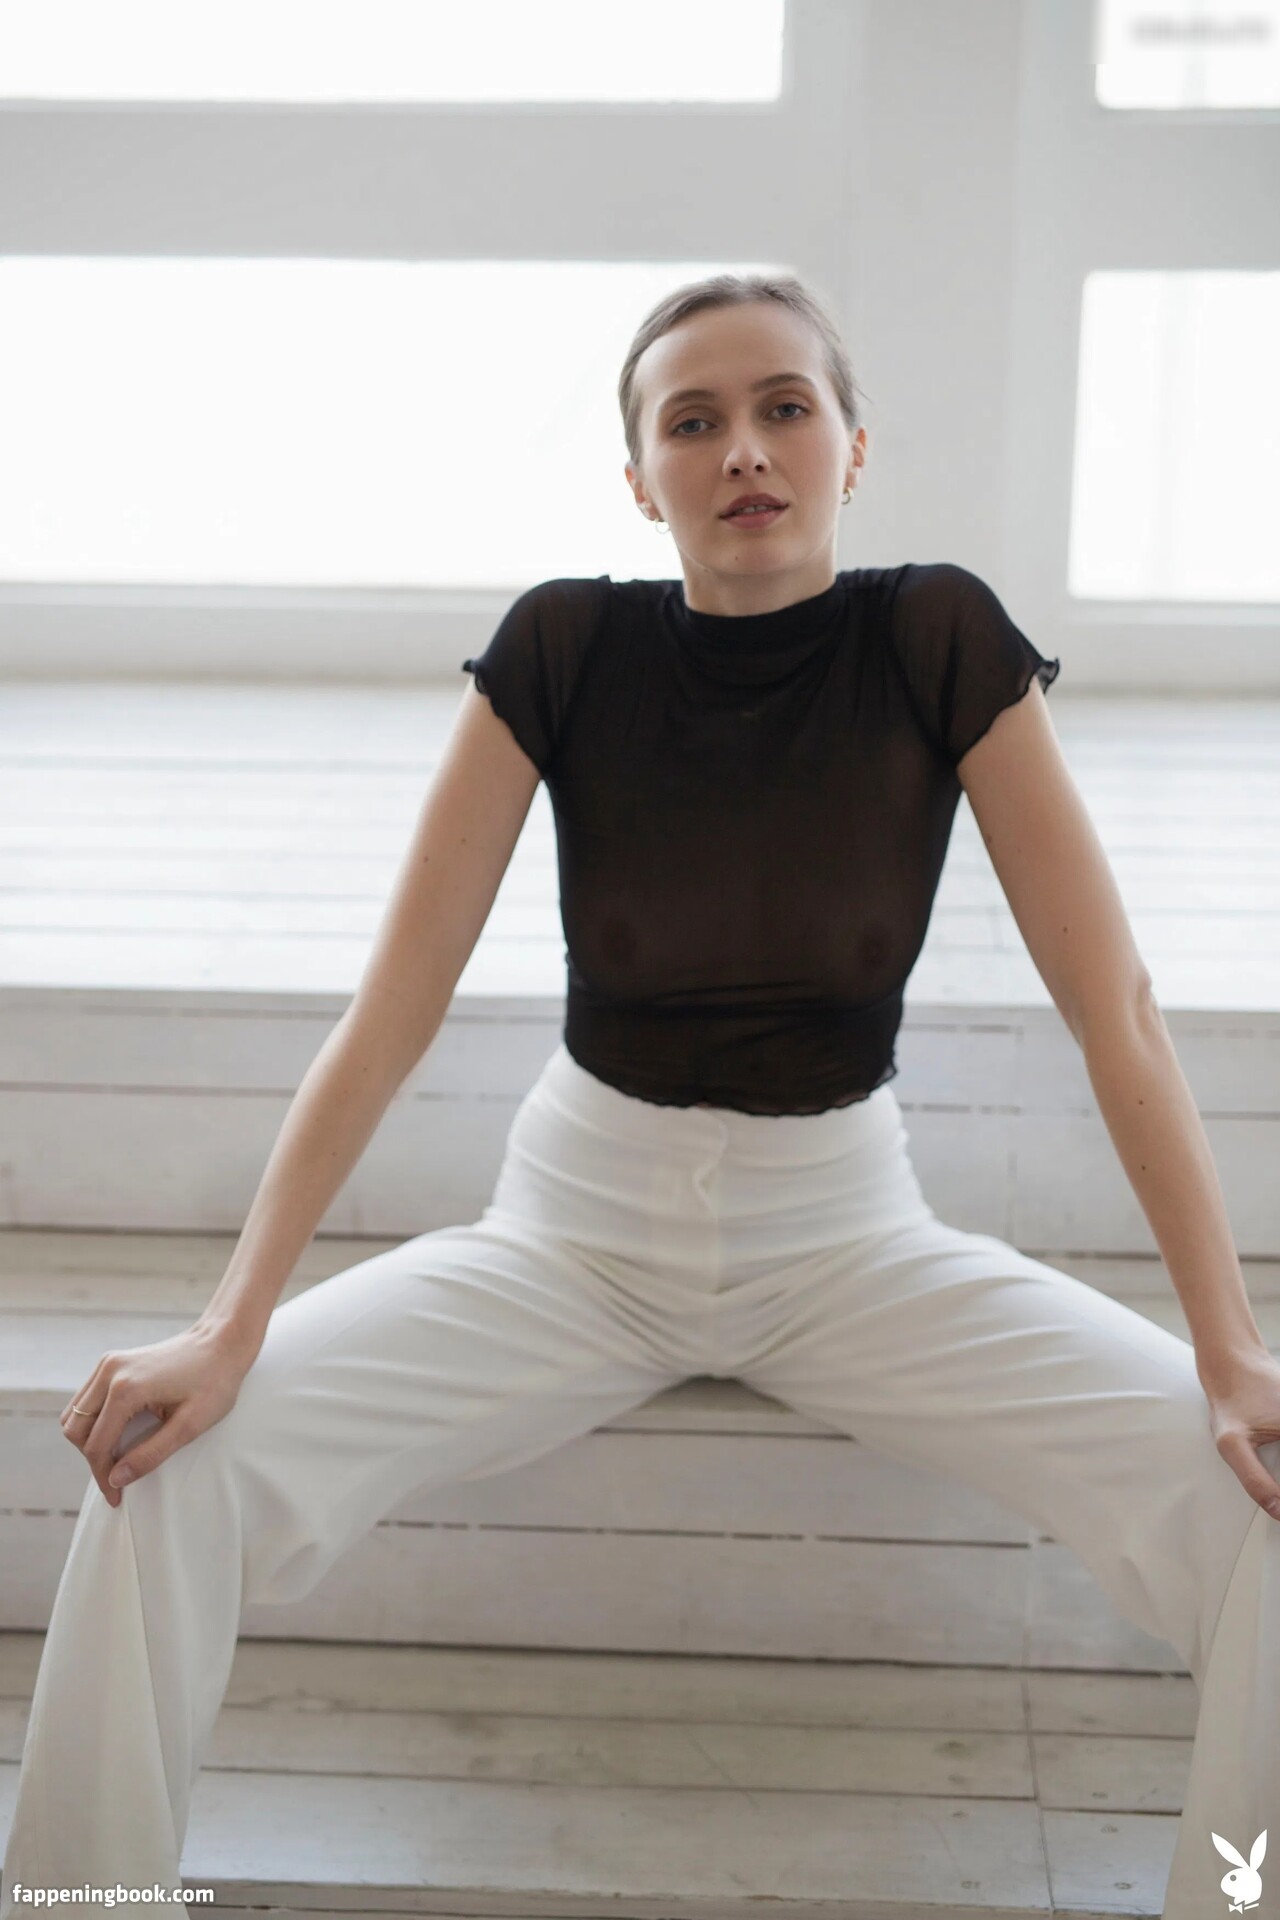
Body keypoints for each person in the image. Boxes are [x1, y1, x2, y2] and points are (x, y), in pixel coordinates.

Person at [3, 274, 1277, 1919]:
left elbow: (1120, 1015)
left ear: (852, 447)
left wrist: (1231, 1352)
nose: (743, 449)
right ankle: (78, 1903)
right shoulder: (566, 645)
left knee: (1262, 1508)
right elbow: (391, 1012)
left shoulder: (936, 637)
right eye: (694, 421)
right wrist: (229, 1327)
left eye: (784, 408)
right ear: (639, 477)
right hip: (571, 1241)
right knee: (160, 1460)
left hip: (851, 1246)